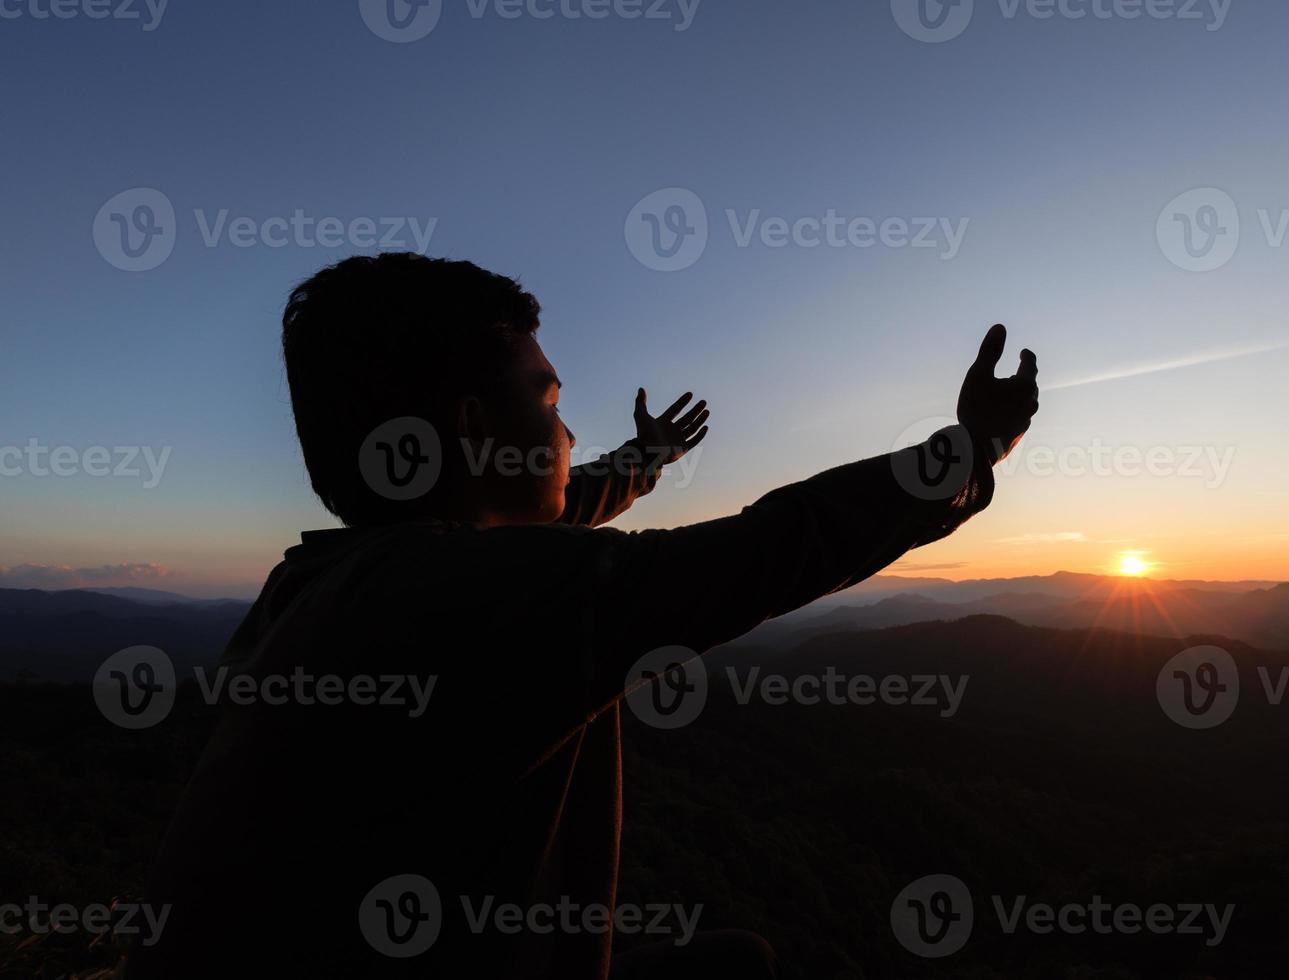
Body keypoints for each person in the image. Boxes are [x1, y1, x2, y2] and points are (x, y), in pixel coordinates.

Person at [130, 252, 1039, 979]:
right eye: (550, 398)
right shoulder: (455, 597)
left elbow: (565, 505)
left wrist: (644, 459)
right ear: (475, 422)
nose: (566, 433)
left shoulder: (330, 584)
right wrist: (971, 451)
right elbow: (773, 549)